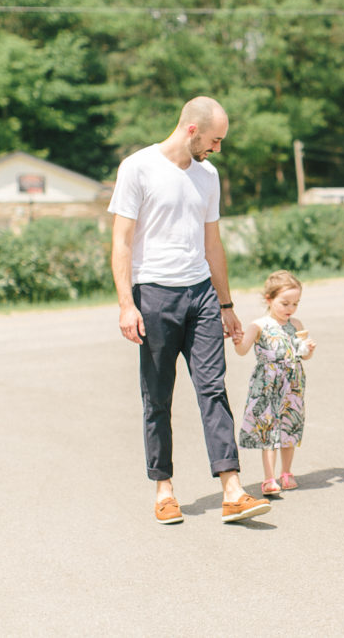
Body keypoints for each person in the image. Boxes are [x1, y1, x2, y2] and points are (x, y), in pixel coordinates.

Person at [109, 96, 271, 525]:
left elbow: (212, 243)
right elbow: (121, 242)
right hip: (154, 296)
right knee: (157, 397)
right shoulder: (138, 168)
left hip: (200, 295)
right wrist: (127, 304)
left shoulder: (208, 175)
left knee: (212, 388)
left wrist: (226, 303)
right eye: (215, 140)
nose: (217, 149)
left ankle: (232, 488)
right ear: (192, 130)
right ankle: (164, 489)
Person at [234, 270, 316, 496]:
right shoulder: (259, 325)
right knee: (268, 429)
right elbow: (242, 351)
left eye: (295, 304)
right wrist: (238, 339)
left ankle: (287, 472)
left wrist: (307, 350)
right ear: (269, 299)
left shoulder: (296, 323)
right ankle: (269, 477)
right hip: (267, 383)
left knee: (290, 425)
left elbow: (302, 354)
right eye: (285, 303)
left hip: (292, 382)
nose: (290, 309)